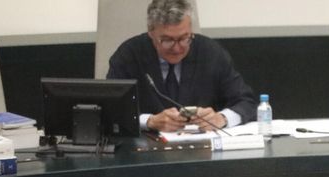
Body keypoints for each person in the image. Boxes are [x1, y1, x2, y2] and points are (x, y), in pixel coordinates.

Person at [106, 0, 256, 133]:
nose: (177, 48)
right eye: (167, 40)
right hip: (144, 154)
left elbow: (246, 102)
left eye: (184, 38)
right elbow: (109, 110)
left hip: (203, 154)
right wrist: (149, 121)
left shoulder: (211, 53)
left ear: (191, 29)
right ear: (151, 33)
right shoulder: (129, 55)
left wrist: (222, 118)